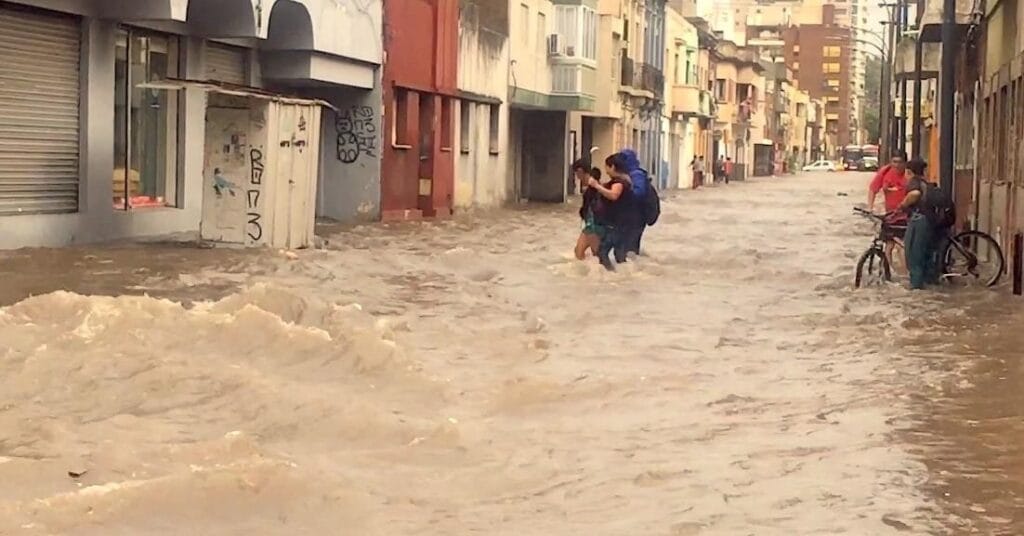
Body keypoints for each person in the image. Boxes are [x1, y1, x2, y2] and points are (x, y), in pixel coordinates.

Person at [591, 153, 642, 270]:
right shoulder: (625, 180)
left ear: (613, 167)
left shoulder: (619, 182)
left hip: (618, 224)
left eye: (607, 167)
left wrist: (597, 186)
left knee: (602, 251)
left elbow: (614, 195)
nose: (606, 170)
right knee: (619, 253)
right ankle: (625, 276)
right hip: (625, 224)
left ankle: (611, 274)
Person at [867, 151, 909, 272]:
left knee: (902, 247)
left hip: (906, 215)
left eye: (900, 162)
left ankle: (906, 274)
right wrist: (870, 208)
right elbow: (873, 189)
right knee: (889, 245)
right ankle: (888, 273)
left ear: (905, 163)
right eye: (894, 162)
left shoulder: (909, 174)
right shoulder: (885, 172)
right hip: (890, 215)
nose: (896, 165)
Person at [899, 158, 937, 290]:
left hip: (919, 221)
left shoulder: (914, 182)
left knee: (913, 256)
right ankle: (929, 285)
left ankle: (916, 288)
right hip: (928, 221)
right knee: (924, 255)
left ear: (909, 172)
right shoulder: (925, 182)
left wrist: (903, 204)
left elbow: (915, 194)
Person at [619, 149, 650, 254]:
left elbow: (638, 193)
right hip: (632, 217)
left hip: (637, 218)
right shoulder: (630, 173)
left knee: (630, 248)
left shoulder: (636, 174)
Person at [575, 167, 607, 260]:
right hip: (590, 226)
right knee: (579, 252)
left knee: (596, 255)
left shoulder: (594, 191)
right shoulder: (597, 190)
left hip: (594, 227)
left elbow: (589, 209)